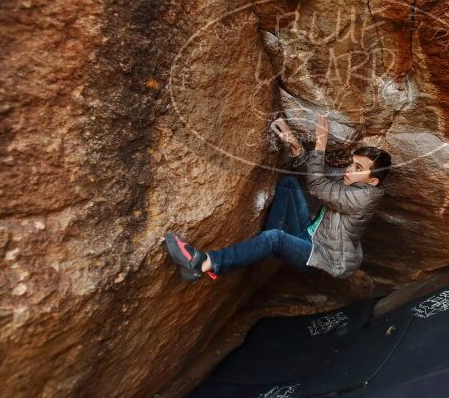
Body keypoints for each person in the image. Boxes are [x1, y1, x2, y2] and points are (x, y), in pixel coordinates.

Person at [163, 114, 391, 282]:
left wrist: (321, 144)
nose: (349, 169)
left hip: (322, 257)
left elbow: (318, 185)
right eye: (352, 163)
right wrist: (295, 145)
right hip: (310, 233)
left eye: (358, 167)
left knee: (275, 238)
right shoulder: (352, 180)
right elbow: (317, 172)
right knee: (289, 184)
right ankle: (268, 245)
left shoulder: (365, 198)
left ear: (372, 181)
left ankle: (202, 263)